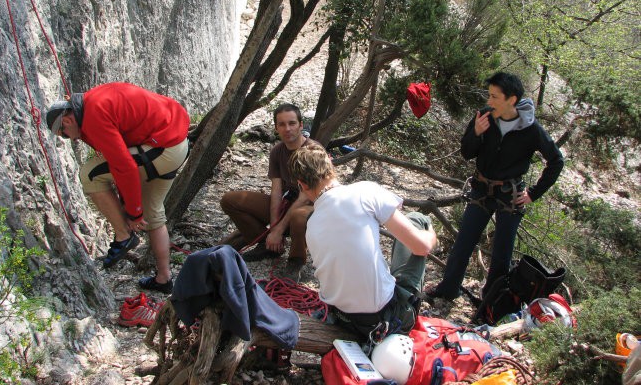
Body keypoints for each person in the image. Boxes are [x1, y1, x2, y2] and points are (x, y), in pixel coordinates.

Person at [426, 72, 564, 302]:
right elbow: (466, 152)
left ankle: (491, 301)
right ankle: (448, 289)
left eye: (494, 97)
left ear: (511, 99)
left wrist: (533, 193)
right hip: (481, 189)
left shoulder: (531, 129)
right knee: (464, 242)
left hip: (510, 194)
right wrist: (477, 133)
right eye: (489, 95)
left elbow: (556, 161)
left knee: (502, 253)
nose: (489, 102)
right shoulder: (484, 117)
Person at [45, 82, 190, 293]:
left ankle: (123, 235)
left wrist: (133, 213)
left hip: (163, 147)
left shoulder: (94, 116)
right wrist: (132, 207)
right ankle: (164, 279)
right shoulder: (94, 100)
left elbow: (124, 167)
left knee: (90, 174)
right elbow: (122, 161)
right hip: (175, 142)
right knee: (154, 213)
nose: (72, 139)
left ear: (67, 119)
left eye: (65, 134)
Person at [288, 144, 437, 339]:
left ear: (303, 184)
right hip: (387, 318)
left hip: (344, 319)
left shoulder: (312, 224)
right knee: (417, 219)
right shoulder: (365, 192)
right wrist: (432, 234)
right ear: (331, 164)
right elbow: (422, 247)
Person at [219, 103, 318, 282]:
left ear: (301, 125)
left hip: (313, 207)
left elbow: (305, 197)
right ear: (276, 128)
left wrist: (279, 229)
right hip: (287, 202)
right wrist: (274, 229)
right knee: (230, 200)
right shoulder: (277, 151)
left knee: (298, 216)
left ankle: (296, 261)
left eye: (292, 123)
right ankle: (267, 245)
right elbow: (276, 191)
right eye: (282, 124)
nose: (287, 129)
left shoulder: (313, 151)